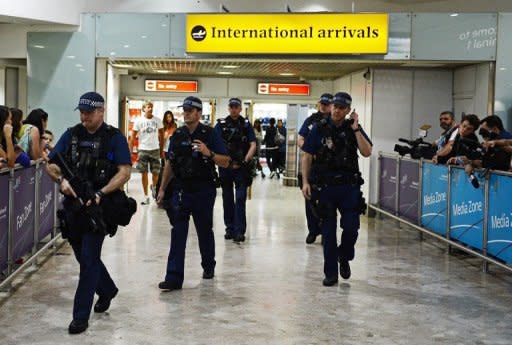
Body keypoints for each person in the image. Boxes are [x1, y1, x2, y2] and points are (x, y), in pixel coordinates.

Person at [46, 92, 131, 334]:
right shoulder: (72, 134)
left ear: (101, 111)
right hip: (74, 206)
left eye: (89, 112)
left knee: (89, 257)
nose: (84, 117)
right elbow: (51, 164)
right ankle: (106, 290)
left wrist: (101, 193)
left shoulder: (113, 137)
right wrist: (61, 180)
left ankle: (80, 316)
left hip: (99, 207)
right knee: (82, 256)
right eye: (82, 112)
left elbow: (124, 172)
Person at [156, 96, 230, 291]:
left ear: (198, 112)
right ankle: (173, 277)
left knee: (204, 229)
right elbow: (170, 163)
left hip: (203, 189)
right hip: (181, 189)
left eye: (190, 110)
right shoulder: (177, 135)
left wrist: (209, 153)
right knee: (178, 232)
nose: (186, 113)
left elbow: (226, 161)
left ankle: (208, 265)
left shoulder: (210, 134)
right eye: (185, 110)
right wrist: (162, 188)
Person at [301, 92, 372, 286]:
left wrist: (356, 129)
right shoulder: (319, 128)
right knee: (328, 232)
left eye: (341, 108)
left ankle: (345, 255)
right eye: (335, 106)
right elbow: (307, 156)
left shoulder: (353, 129)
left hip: (349, 187)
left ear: (348, 110)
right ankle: (330, 273)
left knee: (352, 228)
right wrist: (305, 182)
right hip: (325, 187)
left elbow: (367, 152)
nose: (337, 110)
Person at [215, 98, 257, 242]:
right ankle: (230, 229)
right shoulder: (220, 125)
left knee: (240, 199)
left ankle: (239, 231)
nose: (234, 109)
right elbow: (214, 144)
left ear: (240, 109)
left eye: (236, 107)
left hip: (241, 167)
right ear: (229, 108)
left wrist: (246, 160)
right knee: (227, 198)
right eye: (231, 107)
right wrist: (223, 161)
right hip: (225, 167)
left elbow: (253, 144)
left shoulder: (246, 125)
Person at [298, 93, 333, 244]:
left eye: (326, 104)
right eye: (322, 103)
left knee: (329, 202)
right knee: (310, 199)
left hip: (330, 167)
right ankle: (313, 230)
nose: (323, 106)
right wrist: (309, 149)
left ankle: (326, 232)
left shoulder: (336, 122)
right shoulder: (311, 120)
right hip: (313, 164)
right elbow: (301, 138)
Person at [129, 101, 164, 205]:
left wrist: (161, 150)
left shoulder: (157, 120)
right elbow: (133, 136)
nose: (150, 108)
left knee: (156, 173)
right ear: (143, 109)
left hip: (155, 149)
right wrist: (130, 150)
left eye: (151, 107)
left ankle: (153, 187)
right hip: (143, 149)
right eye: (148, 107)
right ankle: (146, 196)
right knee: (143, 173)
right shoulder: (138, 121)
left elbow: (162, 136)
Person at [155, 110, 177, 197]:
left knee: (172, 169)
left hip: (172, 150)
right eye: (167, 117)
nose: (169, 118)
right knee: (164, 169)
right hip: (164, 150)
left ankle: (170, 188)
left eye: (170, 116)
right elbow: (160, 140)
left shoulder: (175, 126)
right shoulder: (162, 127)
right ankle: (162, 188)